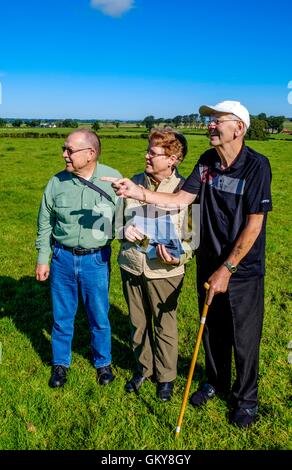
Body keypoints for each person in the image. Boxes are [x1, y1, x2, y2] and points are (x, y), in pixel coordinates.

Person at [102, 101, 272, 428]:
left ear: (238, 127)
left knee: (244, 337)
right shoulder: (207, 162)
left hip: (242, 269)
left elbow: (254, 225)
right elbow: (181, 199)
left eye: (216, 120)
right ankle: (216, 382)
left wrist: (228, 268)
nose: (209, 124)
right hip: (209, 260)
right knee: (212, 330)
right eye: (208, 119)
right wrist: (139, 191)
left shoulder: (257, 166)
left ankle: (245, 399)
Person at [35, 129, 122, 388]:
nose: (64, 155)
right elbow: (45, 223)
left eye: (69, 150)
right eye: (65, 149)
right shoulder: (56, 182)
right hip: (62, 258)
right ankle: (60, 364)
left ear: (90, 153)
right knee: (62, 316)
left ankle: (103, 363)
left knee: (99, 315)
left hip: (96, 260)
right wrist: (43, 258)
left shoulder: (113, 180)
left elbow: (127, 221)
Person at [117, 128, 194, 402]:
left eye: (153, 152)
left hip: (165, 271)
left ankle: (166, 378)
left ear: (173, 158)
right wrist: (122, 229)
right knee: (137, 322)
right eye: (147, 150)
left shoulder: (186, 191)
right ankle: (143, 368)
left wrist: (179, 255)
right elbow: (114, 221)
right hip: (131, 264)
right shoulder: (132, 183)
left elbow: (192, 239)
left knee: (165, 325)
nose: (146, 156)